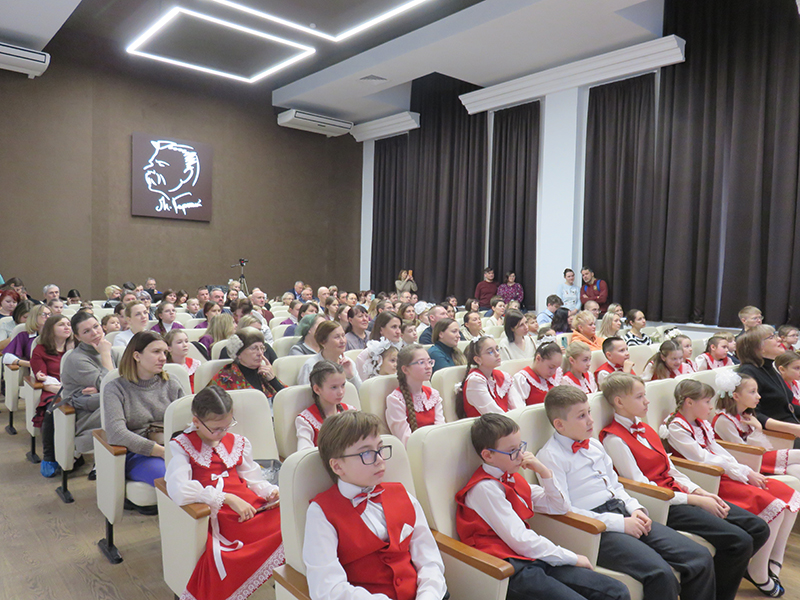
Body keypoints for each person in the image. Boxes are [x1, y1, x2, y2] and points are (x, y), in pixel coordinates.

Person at [600, 373, 770, 600]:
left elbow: (671, 469)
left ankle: (717, 584)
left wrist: (699, 491)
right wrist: (695, 500)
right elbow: (641, 485)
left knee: (758, 528)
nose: (647, 401)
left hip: (680, 493)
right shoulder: (614, 439)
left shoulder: (646, 428)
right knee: (739, 541)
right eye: (640, 397)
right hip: (663, 504)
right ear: (619, 402)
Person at [538, 386, 715, 600]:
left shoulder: (594, 445)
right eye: (581, 416)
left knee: (699, 556)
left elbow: (615, 485)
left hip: (622, 510)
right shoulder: (550, 457)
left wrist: (635, 508)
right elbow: (565, 509)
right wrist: (620, 523)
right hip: (595, 527)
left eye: (589, 412)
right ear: (559, 424)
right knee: (660, 573)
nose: (591, 420)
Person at [456, 413, 630, 600]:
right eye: (513, 451)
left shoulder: (512, 477)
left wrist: (544, 472)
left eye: (521, 447)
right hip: (508, 568)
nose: (521, 456)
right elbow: (520, 540)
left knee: (617, 591)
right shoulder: (485, 489)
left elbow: (559, 506)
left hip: (533, 557)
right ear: (488, 455)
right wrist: (571, 557)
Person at [661, 379, 799, 596]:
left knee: (789, 495)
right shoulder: (676, 427)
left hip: (726, 473)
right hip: (710, 478)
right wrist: (741, 472)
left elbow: (718, 450)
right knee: (775, 506)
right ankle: (758, 570)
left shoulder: (700, 423)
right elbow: (703, 458)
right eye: (707, 401)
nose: (711, 406)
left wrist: (744, 470)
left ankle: (773, 560)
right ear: (689, 402)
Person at [304, 411, 446, 600]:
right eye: (366, 453)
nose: (380, 459)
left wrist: (428, 595)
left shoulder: (403, 495)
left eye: (380, 449)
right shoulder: (321, 512)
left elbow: (429, 559)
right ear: (337, 466)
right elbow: (327, 588)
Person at [166, 386, 283, 600]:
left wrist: (271, 492)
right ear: (196, 422)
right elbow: (178, 489)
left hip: (251, 505)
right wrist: (226, 498)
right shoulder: (183, 445)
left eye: (227, 426)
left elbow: (253, 479)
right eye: (216, 428)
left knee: (293, 521)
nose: (222, 433)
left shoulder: (238, 442)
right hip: (220, 512)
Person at [103, 331, 184, 503]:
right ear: (137, 356)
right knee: (173, 476)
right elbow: (116, 432)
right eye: (156, 352)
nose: (163, 358)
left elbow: (185, 421)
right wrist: (161, 451)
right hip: (138, 453)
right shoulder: (115, 388)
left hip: (172, 447)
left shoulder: (172, 383)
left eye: (164, 352)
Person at [714, 370, 800, 482]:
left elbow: (760, 448)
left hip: (757, 456)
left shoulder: (745, 415)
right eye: (752, 392)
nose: (758, 396)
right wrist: (758, 429)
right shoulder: (724, 420)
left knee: (795, 469)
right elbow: (743, 452)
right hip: (747, 462)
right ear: (736, 396)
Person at [737, 326, 800, 441]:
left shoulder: (769, 367)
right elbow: (752, 414)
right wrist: (794, 429)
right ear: (758, 348)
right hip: (778, 436)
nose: (779, 339)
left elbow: (786, 407)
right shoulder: (748, 372)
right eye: (772, 337)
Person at [31, 315, 74, 477]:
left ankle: (75, 453)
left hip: (75, 390)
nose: (67, 327)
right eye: (61, 324)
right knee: (52, 410)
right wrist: (64, 391)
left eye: (69, 324)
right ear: (51, 329)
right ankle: (49, 456)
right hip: (53, 391)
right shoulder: (40, 350)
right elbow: (44, 381)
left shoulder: (75, 349)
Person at [386, 345, 444, 446]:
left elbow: (441, 429)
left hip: (437, 446)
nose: (428, 366)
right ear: (405, 369)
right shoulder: (396, 400)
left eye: (429, 361)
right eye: (421, 362)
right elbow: (405, 441)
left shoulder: (433, 395)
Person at [457, 336, 523, 418]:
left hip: (507, 421)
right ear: (478, 360)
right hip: (491, 424)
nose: (497, 354)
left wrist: (520, 418)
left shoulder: (503, 376)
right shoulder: (475, 381)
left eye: (497, 349)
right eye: (490, 352)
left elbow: (518, 407)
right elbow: (494, 414)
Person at [295, 361, 356, 451]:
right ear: (317, 389)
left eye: (343, 385)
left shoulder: (351, 411)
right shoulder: (306, 420)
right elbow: (304, 453)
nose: (340, 392)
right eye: (334, 387)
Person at [210, 329, 284, 402]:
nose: (260, 353)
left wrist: (273, 380)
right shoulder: (226, 377)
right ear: (238, 353)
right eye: (254, 348)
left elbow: (288, 401)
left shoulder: (265, 373)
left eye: (262, 348)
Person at [297, 321, 361, 388]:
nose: (342, 341)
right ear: (323, 342)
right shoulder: (310, 366)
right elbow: (306, 393)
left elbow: (361, 392)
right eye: (337, 337)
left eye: (343, 336)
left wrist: (351, 376)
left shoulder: (348, 363)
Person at [511, 341, 563, 405]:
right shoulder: (523, 380)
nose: (553, 372)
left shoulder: (556, 377)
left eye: (556, 368)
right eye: (551, 367)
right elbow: (519, 408)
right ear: (538, 359)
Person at [356, 311, 402, 380]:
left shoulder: (401, 350)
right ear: (381, 330)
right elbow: (362, 384)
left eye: (399, 327)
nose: (398, 331)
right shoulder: (366, 355)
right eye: (394, 327)